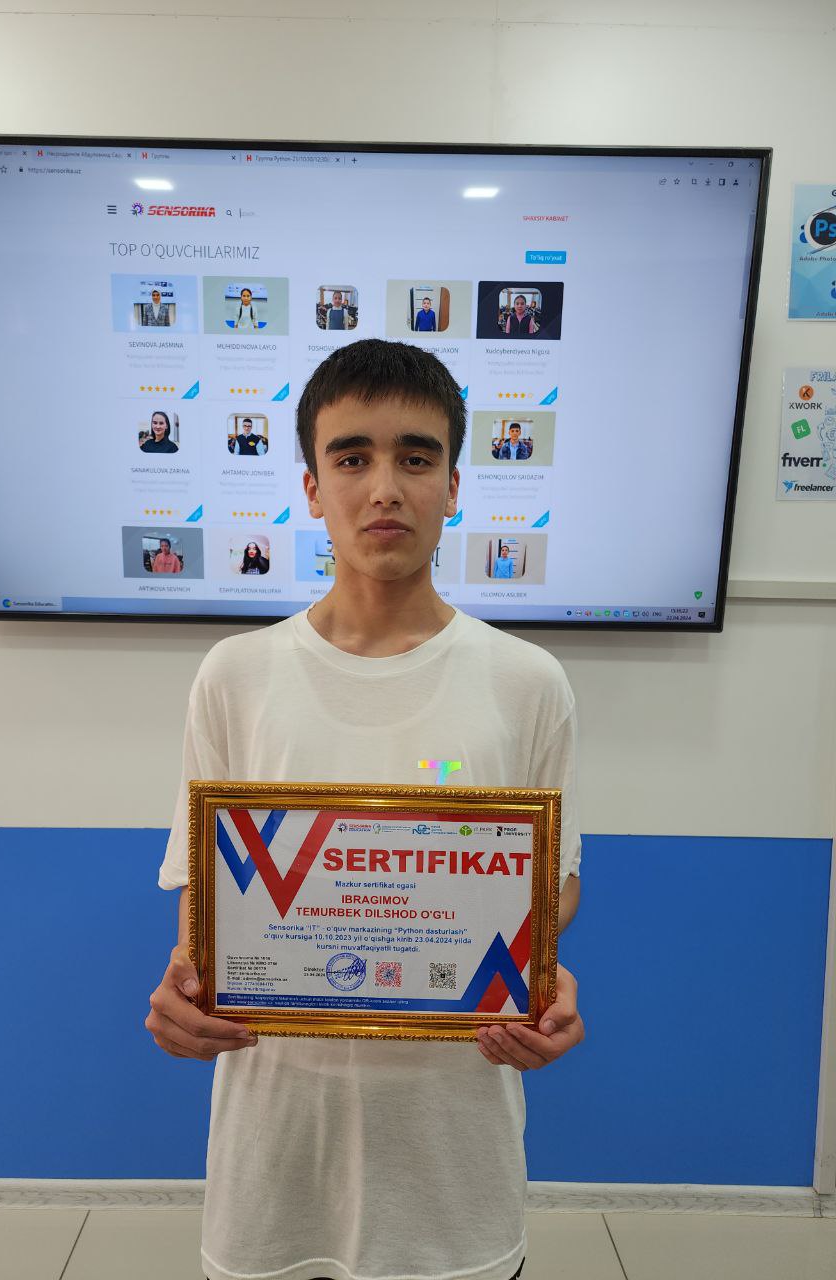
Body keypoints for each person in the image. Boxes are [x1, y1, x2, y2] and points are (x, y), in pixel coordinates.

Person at [146, 339, 584, 1280]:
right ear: (311, 488)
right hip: (276, 1149)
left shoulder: (528, 681)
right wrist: (187, 983)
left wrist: (541, 974)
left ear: (454, 486)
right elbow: (204, 893)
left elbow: (555, 881)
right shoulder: (235, 675)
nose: (384, 488)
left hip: (452, 1157)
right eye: (352, 458)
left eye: (415, 458)